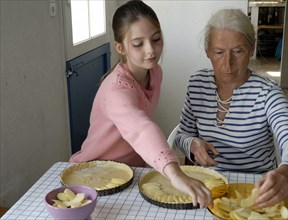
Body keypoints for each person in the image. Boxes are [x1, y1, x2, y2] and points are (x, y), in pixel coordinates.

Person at [69, 0, 211, 208]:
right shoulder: (116, 90)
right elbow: (141, 129)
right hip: (95, 175)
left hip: (132, 172)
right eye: (138, 44)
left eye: (156, 39)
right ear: (121, 47)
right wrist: (175, 172)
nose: (151, 50)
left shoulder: (155, 72)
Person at [174, 9, 288, 208]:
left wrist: (285, 174)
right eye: (219, 53)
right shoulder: (197, 84)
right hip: (207, 190)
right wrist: (192, 144)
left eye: (238, 51)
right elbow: (182, 133)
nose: (228, 64)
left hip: (255, 192)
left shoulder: (267, 93)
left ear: (252, 49)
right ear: (208, 53)